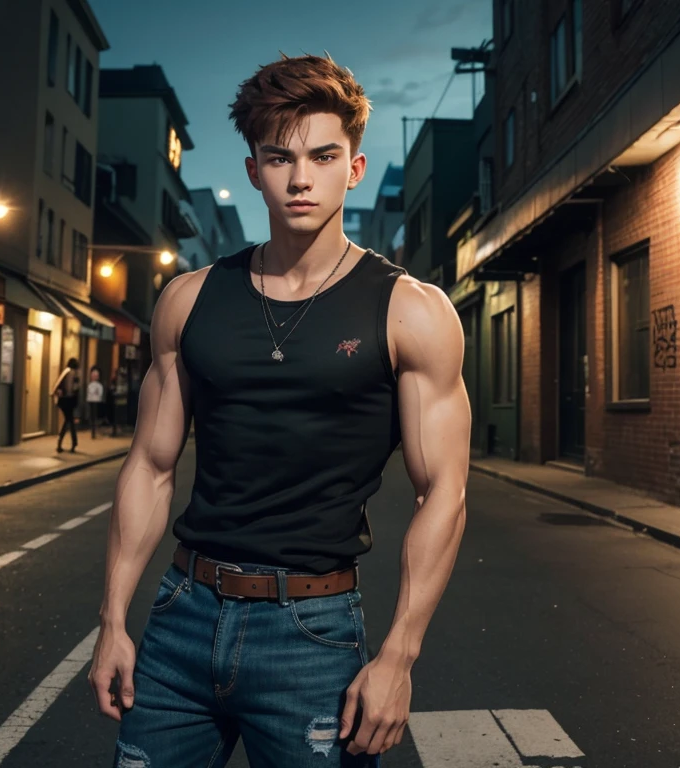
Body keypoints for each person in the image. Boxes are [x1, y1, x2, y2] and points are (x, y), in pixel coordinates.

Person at [89, 52, 471, 767]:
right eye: (279, 157)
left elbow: (443, 490)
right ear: (253, 169)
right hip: (183, 617)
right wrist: (113, 620)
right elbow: (150, 465)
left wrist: (399, 657)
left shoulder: (410, 312)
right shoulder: (190, 298)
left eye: (324, 156)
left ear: (353, 168)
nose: (300, 178)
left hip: (313, 634)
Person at [51, 357, 79, 453]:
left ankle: (62, 443)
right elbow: (74, 388)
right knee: (69, 421)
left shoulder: (65, 371)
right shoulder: (73, 373)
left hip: (63, 401)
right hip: (69, 400)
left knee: (68, 421)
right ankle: (72, 443)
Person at [86, 365, 104, 439]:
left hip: (96, 401)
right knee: (92, 416)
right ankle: (93, 431)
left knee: (95, 416)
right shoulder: (90, 385)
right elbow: (89, 393)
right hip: (91, 401)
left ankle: (94, 431)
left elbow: (99, 393)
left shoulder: (99, 386)